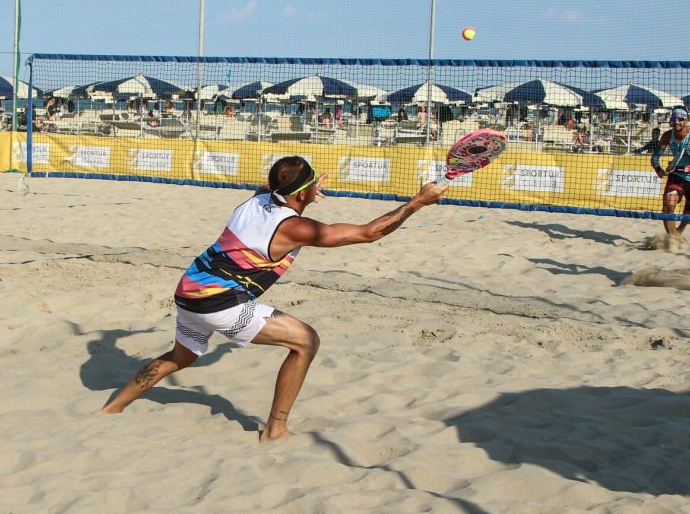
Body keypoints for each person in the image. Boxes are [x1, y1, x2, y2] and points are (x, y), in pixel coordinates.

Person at [100, 156, 448, 442]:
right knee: (305, 342)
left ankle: (112, 409)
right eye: (312, 184)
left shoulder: (257, 199)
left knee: (179, 357)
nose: (316, 188)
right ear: (300, 194)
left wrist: (308, 190)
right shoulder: (293, 227)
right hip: (221, 303)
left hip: (189, 292)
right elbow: (370, 233)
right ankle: (276, 429)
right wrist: (418, 201)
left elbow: (276, 184)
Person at [651, 108, 690, 241]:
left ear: (687, 120)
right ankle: (672, 240)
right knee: (668, 205)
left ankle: (679, 230)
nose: (677, 122)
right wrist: (658, 169)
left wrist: (677, 168)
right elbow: (654, 158)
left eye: (680, 119)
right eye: (674, 119)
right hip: (678, 176)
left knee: (688, 215)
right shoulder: (667, 135)